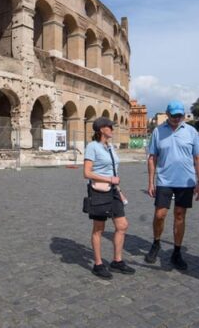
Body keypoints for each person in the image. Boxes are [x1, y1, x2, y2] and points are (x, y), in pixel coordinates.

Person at [145, 101, 199, 271]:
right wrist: (150, 181)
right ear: (167, 114)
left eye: (180, 115)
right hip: (164, 180)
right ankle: (156, 243)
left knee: (180, 215)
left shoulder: (191, 131)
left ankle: (177, 252)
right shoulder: (158, 131)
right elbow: (152, 157)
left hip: (185, 181)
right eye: (174, 115)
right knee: (160, 214)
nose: (177, 118)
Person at [83, 117, 134, 279]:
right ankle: (98, 264)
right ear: (101, 129)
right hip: (99, 191)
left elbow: (113, 171)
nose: (112, 129)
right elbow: (87, 173)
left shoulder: (110, 147)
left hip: (113, 191)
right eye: (110, 127)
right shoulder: (92, 147)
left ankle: (117, 261)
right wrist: (109, 180)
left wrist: (118, 189)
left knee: (122, 225)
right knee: (99, 229)